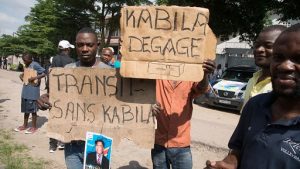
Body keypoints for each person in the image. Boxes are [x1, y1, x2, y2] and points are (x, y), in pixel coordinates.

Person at [206, 23, 300, 169]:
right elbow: (237, 151)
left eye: (298, 58)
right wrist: (227, 164)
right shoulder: (255, 105)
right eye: (278, 57)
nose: (284, 66)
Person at [37, 27, 112, 169]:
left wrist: (144, 108)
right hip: (71, 142)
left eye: (89, 45)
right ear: (75, 46)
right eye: (80, 45)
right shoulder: (67, 70)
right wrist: (45, 99)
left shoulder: (110, 73)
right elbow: (58, 98)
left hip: (99, 143)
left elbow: (123, 103)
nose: (85, 49)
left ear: (97, 45)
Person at [151, 60, 215, 169]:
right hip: (159, 143)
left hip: (182, 145)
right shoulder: (156, 74)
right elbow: (140, 90)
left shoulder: (190, 75)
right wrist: (147, 103)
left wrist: (205, 74)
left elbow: (202, 88)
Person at [242, 25, 286, 108]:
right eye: (257, 45)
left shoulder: (286, 86)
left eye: (268, 46)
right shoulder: (253, 79)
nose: (259, 50)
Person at [49, 40, 75, 153]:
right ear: (67, 49)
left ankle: (52, 145)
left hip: (54, 92)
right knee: (65, 117)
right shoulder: (72, 61)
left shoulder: (54, 59)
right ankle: (62, 142)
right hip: (67, 93)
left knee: (54, 118)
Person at [14, 54, 45, 134]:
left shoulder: (35, 64)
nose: (24, 62)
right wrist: (21, 76)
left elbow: (44, 73)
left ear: (30, 59)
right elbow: (26, 77)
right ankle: (24, 125)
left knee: (33, 110)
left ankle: (34, 127)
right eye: (23, 60)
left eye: (26, 60)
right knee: (25, 110)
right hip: (25, 91)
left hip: (33, 92)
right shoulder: (26, 65)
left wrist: (35, 78)